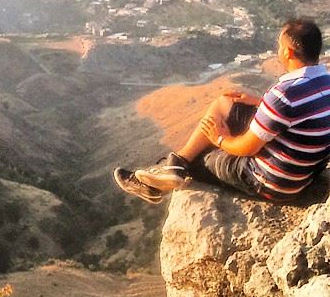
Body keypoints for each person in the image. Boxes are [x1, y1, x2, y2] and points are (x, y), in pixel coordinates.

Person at [114, 19, 330, 204]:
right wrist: (259, 103)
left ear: (288, 52)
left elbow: (246, 148)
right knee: (225, 103)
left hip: (273, 182)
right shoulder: (324, 82)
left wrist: (219, 138)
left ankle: (168, 174)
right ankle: (174, 166)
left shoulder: (283, 95)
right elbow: (301, 114)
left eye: (279, 46)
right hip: (304, 172)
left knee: (201, 156)